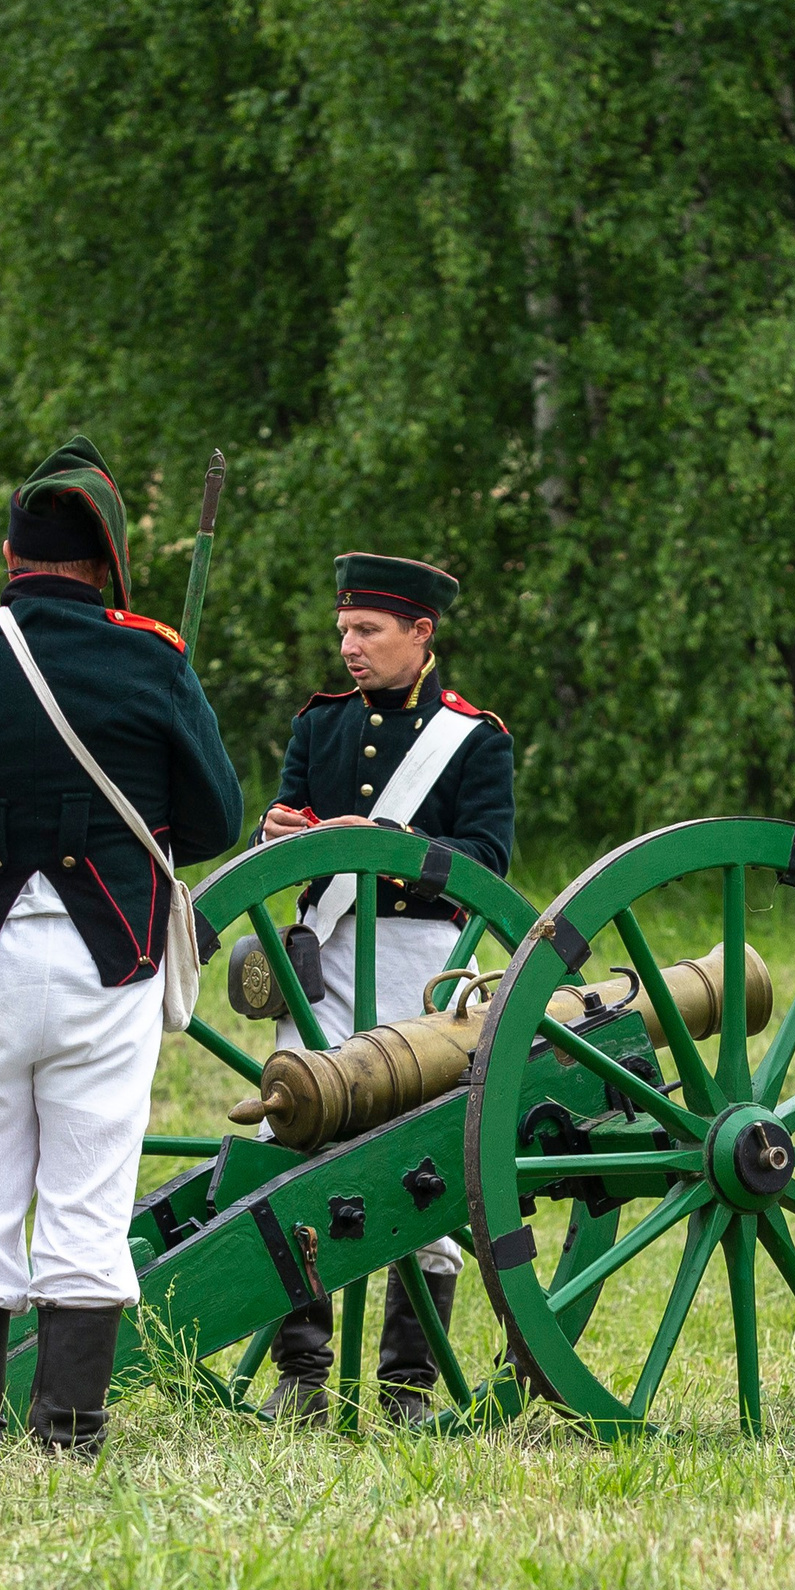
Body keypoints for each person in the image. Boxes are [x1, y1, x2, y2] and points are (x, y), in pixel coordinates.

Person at [0, 437, 242, 1453]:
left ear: (12, 555)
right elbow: (214, 820)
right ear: (105, 559)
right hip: (106, 963)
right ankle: (68, 1429)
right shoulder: (150, 656)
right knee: (86, 1196)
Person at [255, 552, 515, 1422]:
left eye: (367, 631)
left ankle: (408, 1383)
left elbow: (489, 860)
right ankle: (303, 1371)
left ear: (421, 633)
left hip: (421, 960)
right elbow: (289, 820)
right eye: (343, 631)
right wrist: (277, 830)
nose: (350, 647)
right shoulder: (319, 726)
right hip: (326, 952)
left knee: (420, 1155)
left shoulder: (474, 738)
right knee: (301, 1132)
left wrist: (395, 840)